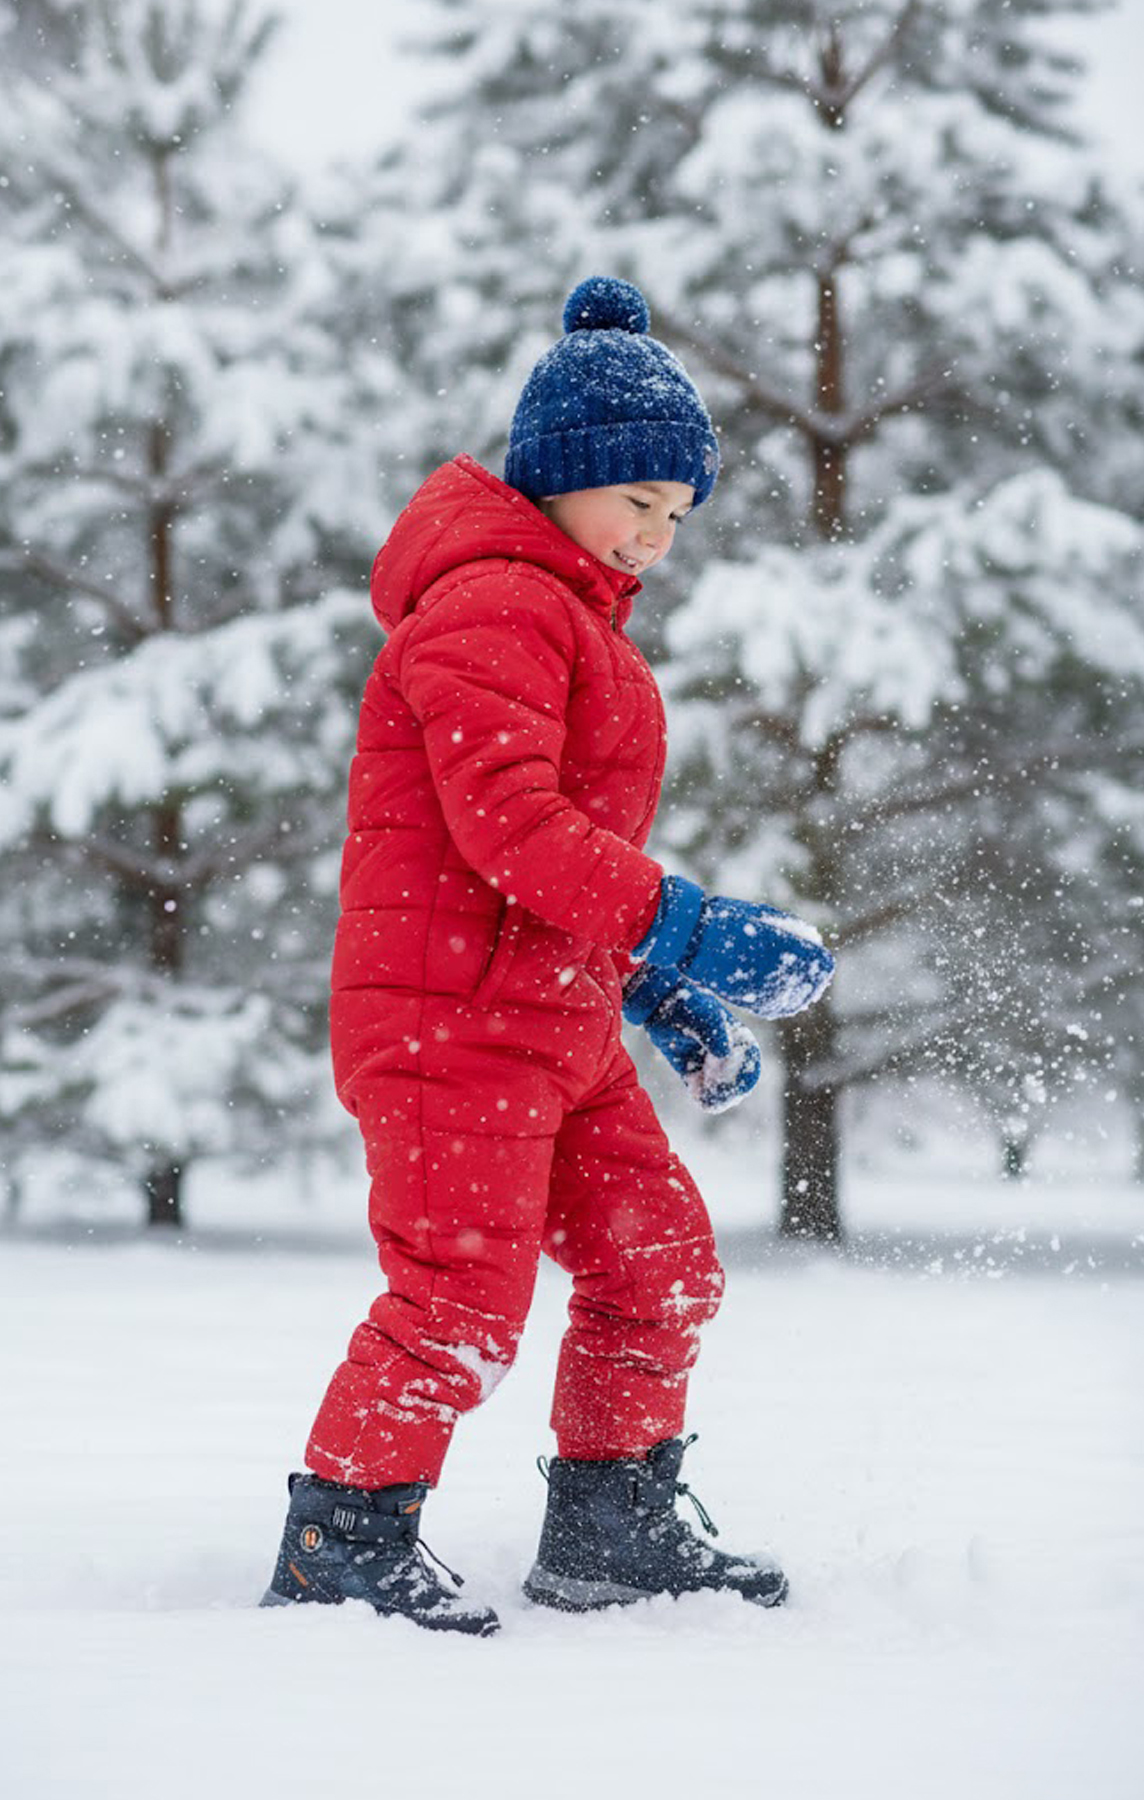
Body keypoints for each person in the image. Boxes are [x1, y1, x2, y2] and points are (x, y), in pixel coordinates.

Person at [261, 277, 834, 1635]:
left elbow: (539, 857)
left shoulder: (569, 620)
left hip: (551, 1019)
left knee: (660, 1262)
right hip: (450, 1023)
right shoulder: (493, 608)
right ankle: (342, 1543)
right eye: (637, 502)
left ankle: (611, 1527)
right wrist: (688, 923)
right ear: (560, 479)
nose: (658, 537)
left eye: (678, 515)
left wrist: (652, 981)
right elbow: (509, 827)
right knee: (458, 1298)